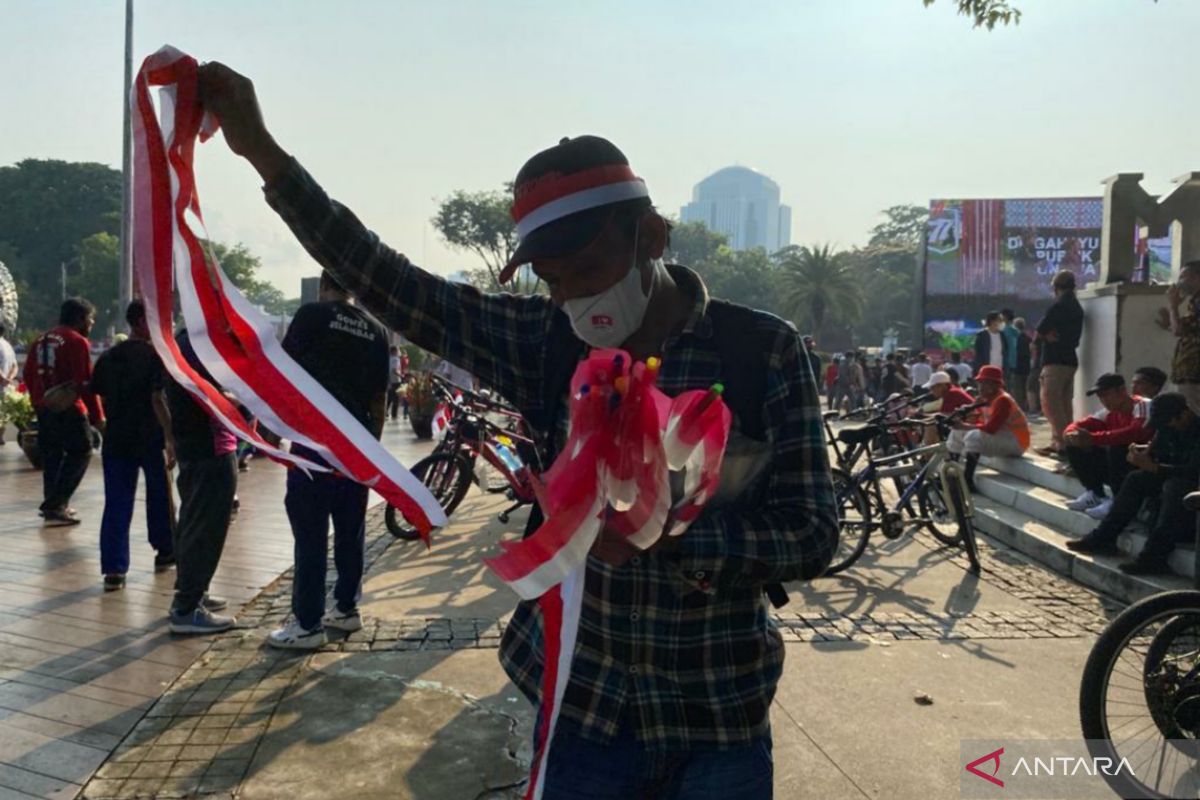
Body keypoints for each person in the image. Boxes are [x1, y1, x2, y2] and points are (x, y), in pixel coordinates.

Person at [200, 62, 838, 797]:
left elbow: (814, 531)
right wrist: (263, 153)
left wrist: (672, 536)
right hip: (580, 712)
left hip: (718, 719)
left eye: (589, 267)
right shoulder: (545, 342)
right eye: (552, 278)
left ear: (652, 236)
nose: (573, 295)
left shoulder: (759, 353)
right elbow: (391, 283)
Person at [268, 271, 389, 649]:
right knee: (351, 531)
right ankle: (347, 608)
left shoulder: (311, 316)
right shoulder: (376, 330)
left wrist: (273, 428)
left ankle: (307, 624)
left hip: (314, 447)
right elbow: (379, 399)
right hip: (355, 447)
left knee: (310, 533)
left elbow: (282, 373)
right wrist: (371, 451)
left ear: (324, 286)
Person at [90, 301, 176, 591]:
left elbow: (96, 391)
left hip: (116, 439)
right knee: (160, 496)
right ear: (142, 322)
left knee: (116, 502)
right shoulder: (156, 357)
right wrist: (170, 437)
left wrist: (103, 423)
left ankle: (114, 569)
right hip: (150, 437)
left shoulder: (110, 356)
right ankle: (165, 550)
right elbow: (158, 398)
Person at [1066, 393, 1200, 575]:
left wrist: (1156, 468)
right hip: (1171, 475)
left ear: (1184, 415)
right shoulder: (1168, 427)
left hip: (1190, 485)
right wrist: (1144, 453)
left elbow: (1192, 471)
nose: (1168, 427)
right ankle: (1104, 537)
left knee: (1174, 487)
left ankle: (1153, 557)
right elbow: (1159, 450)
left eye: (1170, 422)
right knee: (1135, 479)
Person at [164, 329, 238, 634]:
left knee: (192, 521)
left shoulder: (182, 341)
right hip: (211, 446)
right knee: (205, 526)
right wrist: (245, 399)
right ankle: (187, 606)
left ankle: (192, 591)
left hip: (193, 445)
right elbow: (211, 394)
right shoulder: (199, 344)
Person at [22, 298, 105, 526]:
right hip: (69, 408)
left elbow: (29, 373)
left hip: (45, 407)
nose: (91, 324)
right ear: (79, 319)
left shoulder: (41, 339)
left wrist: (38, 400)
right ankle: (56, 503)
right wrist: (98, 417)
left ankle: (54, 503)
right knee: (82, 451)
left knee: (52, 456)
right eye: (90, 319)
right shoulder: (77, 341)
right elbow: (84, 382)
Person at [1061, 373, 1152, 521]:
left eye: (1107, 395)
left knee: (1117, 447)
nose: (1104, 400)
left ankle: (1118, 501)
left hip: (1145, 460)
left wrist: (1094, 438)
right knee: (1075, 445)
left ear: (1122, 391)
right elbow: (1081, 424)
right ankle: (1096, 493)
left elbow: (1134, 433)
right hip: (1124, 461)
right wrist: (1070, 434)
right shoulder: (1109, 412)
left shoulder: (1143, 405)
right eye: (1100, 396)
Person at [953, 365, 1029, 491]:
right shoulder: (986, 399)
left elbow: (991, 428)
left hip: (1016, 442)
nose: (981, 387)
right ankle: (951, 475)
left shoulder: (1002, 400)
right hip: (1002, 437)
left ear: (995, 385)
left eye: (985, 383)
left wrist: (965, 426)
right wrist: (974, 408)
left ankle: (968, 479)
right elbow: (980, 422)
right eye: (980, 383)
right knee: (957, 432)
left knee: (973, 436)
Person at [1036, 270, 1085, 454]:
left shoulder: (1059, 305)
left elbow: (1040, 329)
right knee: (1064, 404)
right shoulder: (1076, 307)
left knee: (1050, 404)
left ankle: (1065, 443)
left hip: (1055, 360)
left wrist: (1043, 337)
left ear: (1056, 288)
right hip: (1070, 359)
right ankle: (1059, 442)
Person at [1158, 261, 1200, 412]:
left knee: (1193, 416)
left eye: (1184, 277)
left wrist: (1173, 306)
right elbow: (1189, 330)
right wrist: (1170, 322)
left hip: (1194, 372)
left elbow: (1179, 331)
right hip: (1190, 373)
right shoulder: (1194, 302)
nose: (1179, 282)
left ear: (1197, 277)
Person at [920, 371, 975, 448]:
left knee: (930, 426)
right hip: (965, 423)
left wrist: (921, 418)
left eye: (933, 388)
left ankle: (927, 456)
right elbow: (944, 414)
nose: (931, 392)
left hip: (969, 425)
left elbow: (941, 415)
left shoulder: (952, 393)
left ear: (942, 386)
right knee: (930, 423)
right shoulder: (952, 391)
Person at [1010, 317, 1032, 411]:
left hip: (1016, 368)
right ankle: (1027, 407)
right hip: (1027, 367)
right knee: (1025, 389)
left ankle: (1019, 409)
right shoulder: (1028, 338)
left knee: (1017, 390)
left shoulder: (1014, 338)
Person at [0, 322, 17, 445]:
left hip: (2, 383)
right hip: (5, 386)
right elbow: (14, 365)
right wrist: (9, 378)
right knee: (3, 413)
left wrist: (3, 378)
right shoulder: (7, 345)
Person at [387, 344, 404, 421]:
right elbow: (395, 370)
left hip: (389, 380)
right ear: (394, 351)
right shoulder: (396, 359)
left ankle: (385, 412)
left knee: (390, 398)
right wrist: (401, 376)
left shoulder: (388, 358)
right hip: (396, 380)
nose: (398, 352)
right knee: (396, 398)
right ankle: (394, 415)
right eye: (397, 350)